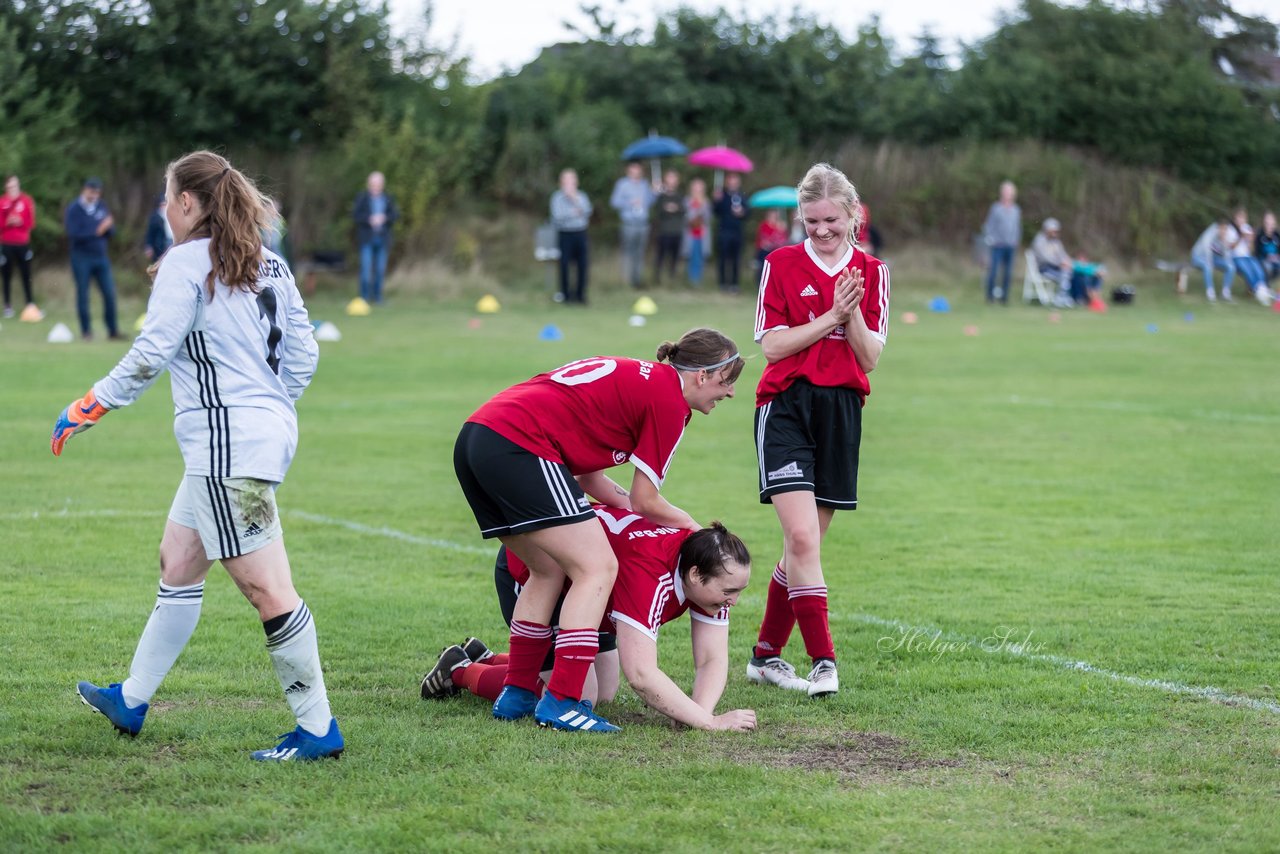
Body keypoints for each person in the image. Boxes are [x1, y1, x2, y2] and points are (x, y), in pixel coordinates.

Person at [53, 150, 341, 762]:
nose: (163, 209)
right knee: (179, 559)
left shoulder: (185, 263)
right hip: (252, 439)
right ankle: (131, 699)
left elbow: (153, 351)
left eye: (166, 198)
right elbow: (306, 356)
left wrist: (89, 405)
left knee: (269, 591)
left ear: (187, 203)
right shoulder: (275, 265)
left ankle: (317, 729)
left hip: (226, 449)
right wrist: (267, 408)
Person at [453, 328, 744, 732]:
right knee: (597, 568)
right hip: (519, 443)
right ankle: (562, 702)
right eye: (726, 381)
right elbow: (646, 500)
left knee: (550, 569)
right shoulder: (670, 402)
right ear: (701, 375)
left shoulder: (645, 381)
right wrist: (695, 529)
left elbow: (591, 477)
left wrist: (635, 511)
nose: (729, 393)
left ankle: (519, 691)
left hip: (479, 436)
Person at [422, 506, 756, 732]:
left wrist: (697, 711)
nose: (734, 601)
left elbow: (712, 657)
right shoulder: (651, 578)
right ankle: (459, 670)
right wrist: (709, 722)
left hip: (595, 592)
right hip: (541, 573)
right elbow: (641, 675)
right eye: (729, 591)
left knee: (606, 691)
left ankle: (490, 658)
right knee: (584, 695)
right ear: (695, 576)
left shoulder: (703, 568)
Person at [750, 163, 890, 699]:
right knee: (803, 538)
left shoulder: (873, 271)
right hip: (786, 406)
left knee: (801, 546)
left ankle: (764, 657)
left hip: (841, 410)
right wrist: (832, 315)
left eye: (831, 220)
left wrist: (849, 314)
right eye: (811, 221)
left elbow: (870, 358)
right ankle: (823, 662)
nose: (822, 230)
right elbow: (773, 346)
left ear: (853, 215)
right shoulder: (781, 264)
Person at [64, 177, 122, 340]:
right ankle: (86, 331)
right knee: (83, 294)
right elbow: (74, 235)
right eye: (92, 191)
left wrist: (108, 228)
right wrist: (98, 230)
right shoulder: (74, 209)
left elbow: (110, 233)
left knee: (109, 293)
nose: (94, 195)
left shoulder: (101, 206)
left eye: (97, 192)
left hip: (101, 257)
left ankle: (112, 331)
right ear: (85, 190)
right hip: (81, 257)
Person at [352, 171, 399, 304]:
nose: (375, 186)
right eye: (373, 184)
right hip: (367, 239)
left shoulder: (388, 198)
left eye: (378, 184)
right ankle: (364, 299)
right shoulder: (362, 198)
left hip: (382, 239)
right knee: (366, 271)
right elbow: (356, 216)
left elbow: (395, 215)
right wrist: (369, 219)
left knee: (380, 270)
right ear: (369, 184)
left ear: (382, 185)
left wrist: (384, 218)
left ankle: (378, 298)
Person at [549, 168, 592, 304]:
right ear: (561, 182)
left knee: (583, 264)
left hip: (580, 232)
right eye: (566, 180)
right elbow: (557, 217)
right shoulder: (556, 197)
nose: (569, 183)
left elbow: (587, 211)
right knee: (564, 264)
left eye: (571, 180)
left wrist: (574, 200)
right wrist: (573, 213)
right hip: (565, 234)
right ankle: (565, 295)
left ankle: (580, 295)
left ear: (576, 181)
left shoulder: (581, 196)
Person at [610, 161, 655, 289]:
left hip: (643, 224)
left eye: (638, 168)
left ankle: (637, 280)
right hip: (629, 223)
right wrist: (629, 202)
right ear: (628, 170)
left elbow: (650, 202)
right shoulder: (622, 184)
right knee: (627, 252)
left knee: (639, 253)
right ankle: (625, 280)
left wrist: (655, 192)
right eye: (633, 168)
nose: (636, 171)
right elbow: (614, 202)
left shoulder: (644, 184)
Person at [1, 175, 40, 320]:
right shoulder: (2, 202)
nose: (13, 188)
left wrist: (20, 221)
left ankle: (30, 304)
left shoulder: (26, 200)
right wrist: (7, 222)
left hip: (23, 244)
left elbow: (31, 223)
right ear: (6, 187)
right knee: (6, 275)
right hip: (6, 244)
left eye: (15, 185)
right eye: (10, 186)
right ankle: (7, 306)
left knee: (26, 275)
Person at [982, 180, 1020, 304]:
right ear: (1002, 193)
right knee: (993, 272)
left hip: (1010, 246)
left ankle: (1004, 299)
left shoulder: (1016, 210)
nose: (1007, 194)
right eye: (1005, 191)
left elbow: (1017, 227)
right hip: (997, 245)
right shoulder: (996, 208)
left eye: (1010, 192)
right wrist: (991, 239)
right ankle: (990, 297)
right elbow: (988, 226)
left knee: (1008, 274)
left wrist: (1016, 240)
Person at [1229, 207, 1274, 305]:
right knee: (1247, 270)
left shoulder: (1247, 227)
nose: (1241, 220)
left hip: (1247, 256)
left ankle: (1262, 288)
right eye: (1239, 218)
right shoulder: (1231, 229)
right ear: (1235, 218)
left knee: (1257, 268)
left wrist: (1250, 240)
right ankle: (1258, 291)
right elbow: (1231, 247)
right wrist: (1241, 236)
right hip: (1236, 257)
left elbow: (1250, 249)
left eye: (1243, 218)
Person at [713, 172, 749, 293]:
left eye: (735, 180)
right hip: (724, 231)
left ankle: (734, 284)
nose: (733, 183)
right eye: (731, 180)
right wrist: (716, 201)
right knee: (723, 258)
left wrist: (742, 212)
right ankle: (723, 283)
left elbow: (748, 213)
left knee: (736, 259)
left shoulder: (742, 196)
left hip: (737, 232)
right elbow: (716, 212)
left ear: (738, 182)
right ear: (727, 182)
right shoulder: (722, 195)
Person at [1190, 219, 1238, 302]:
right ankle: (1210, 293)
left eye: (1225, 229)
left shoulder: (1226, 236)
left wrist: (1224, 243)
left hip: (1213, 258)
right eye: (1222, 229)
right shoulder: (1210, 233)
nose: (1223, 231)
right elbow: (1206, 249)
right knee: (1208, 266)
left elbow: (1226, 256)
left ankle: (1225, 293)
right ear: (1218, 228)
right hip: (1198, 256)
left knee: (1231, 267)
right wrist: (1210, 262)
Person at [1031, 218, 1075, 307]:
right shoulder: (1039, 241)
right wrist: (1060, 263)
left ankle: (1064, 296)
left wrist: (1067, 261)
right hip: (1044, 268)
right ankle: (1060, 298)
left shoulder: (1056, 242)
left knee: (1069, 272)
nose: (1055, 233)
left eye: (1056, 231)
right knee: (1064, 275)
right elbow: (1045, 258)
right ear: (1047, 230)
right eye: (1053, 231)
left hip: (1055, 267)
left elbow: (1062, 254)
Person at [653, 170, 685, 285]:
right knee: (661, 256)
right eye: (669, 178)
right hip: (664, 231)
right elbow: (658, 210)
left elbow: (683, 210)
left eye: (674, 178)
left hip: (677, 231)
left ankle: (672, 278)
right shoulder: (661, 196)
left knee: (674, 257)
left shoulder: (680, 196)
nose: (671, 181)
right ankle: (657, 278)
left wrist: (675, 208)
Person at [684, 178, 711, 287]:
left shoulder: (706, 202)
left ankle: (698, 279)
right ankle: (691, 279)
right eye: (695, 188)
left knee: (700, 257)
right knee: (691, 256)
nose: (697, 190)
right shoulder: (687, 201)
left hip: (702, 234)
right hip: (690, 234)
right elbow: (687, 217)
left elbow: (708, 218)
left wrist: (702, 207)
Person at [754, 208, 790, 280]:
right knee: (762, 267)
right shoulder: (764, 225)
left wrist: (782, 229)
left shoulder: (780, 226)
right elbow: (763, 238)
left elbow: (783, 239)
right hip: (764, 250)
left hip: (775, 250)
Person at [143, 193, 173, 265]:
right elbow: (150, 233)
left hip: (172, 242)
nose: (164, 207)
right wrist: (148, 246)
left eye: (165, 204)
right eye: (162, 205)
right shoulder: (155, 217)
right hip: (160, 245)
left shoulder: (172, 215)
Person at [1256, 211, 1280, 283]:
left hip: (1275, 258)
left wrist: (1277, 256)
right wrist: (1267, 256)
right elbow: (1257, 251)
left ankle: (1268, 283)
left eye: (1271, 220)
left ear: (1274, 223)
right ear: (1264, 222)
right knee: (1268, 267)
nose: (1269, 223)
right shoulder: (1260, 234)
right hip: (1263, 258)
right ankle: (1265, 285)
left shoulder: (1277, 234)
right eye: (1267, 221)